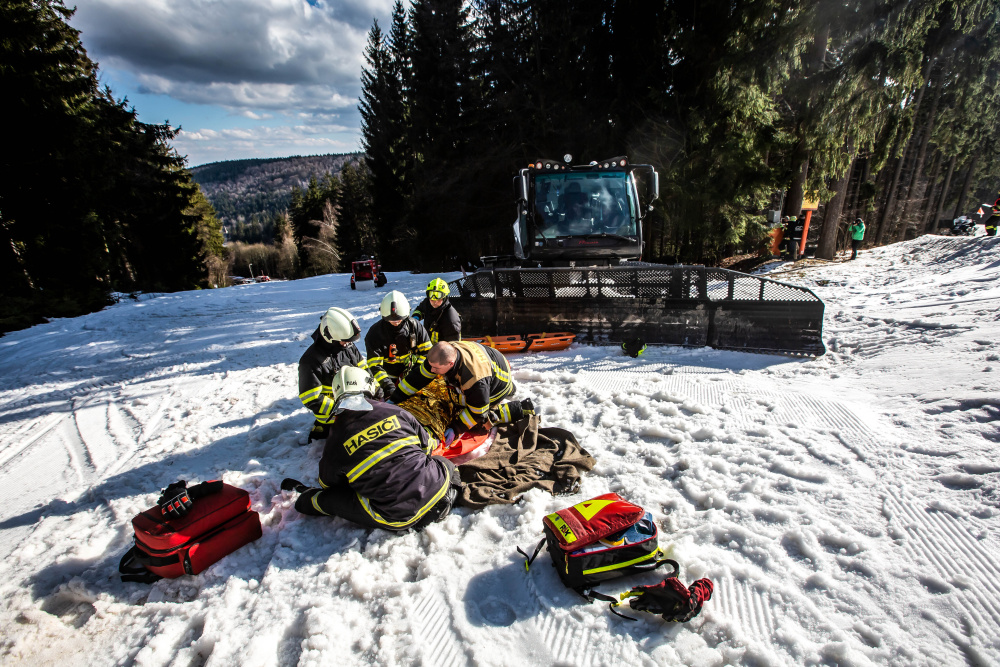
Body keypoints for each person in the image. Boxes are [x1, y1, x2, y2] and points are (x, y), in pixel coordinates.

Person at [284, 366, 460, 532]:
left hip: (399, 514)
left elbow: (327, 483)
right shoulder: (396, 411)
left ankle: (305, 499)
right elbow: (427, 446)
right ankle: (451, 494)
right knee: (444, 463)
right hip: (436, 484)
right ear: (369, 387)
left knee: (331, 499)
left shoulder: (336, 438)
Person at [389, 341, 535, 445]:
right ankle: (510, 388)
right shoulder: (443, 354)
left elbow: (478, 411)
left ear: (450, 364)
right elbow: (419, 376)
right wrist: (395, 398)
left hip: (496, 386)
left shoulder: (474, 379)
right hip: (493, 364)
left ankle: (518, 408)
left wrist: (456, 428)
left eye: (435, 368)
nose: (432, 370)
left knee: (470, 417)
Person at [298, 307, 364, 441]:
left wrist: (376, 391)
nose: (348, 344)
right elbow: (311, 398)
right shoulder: (311, 361)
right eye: (345, 341)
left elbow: (364, 369)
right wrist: (343, 410)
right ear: (330, 336)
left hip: (355, 408)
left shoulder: (347, 346)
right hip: (332, 416)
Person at [363, 290, 432, 397]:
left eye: (399, 319)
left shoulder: (415, 327)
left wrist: (416, 372)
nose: (396, 322)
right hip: (386, 378)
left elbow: (427, 352)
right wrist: (388, 386)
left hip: (411, 374)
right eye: (391, 319)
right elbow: (374, 366)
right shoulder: (375, 333)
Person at [413, 278, 462, 343]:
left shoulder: (451, 319)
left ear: (444, 297)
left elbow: (453, 346)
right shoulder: (427, 303)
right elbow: (420, 309)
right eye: (432, 299)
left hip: (442, 350)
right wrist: (416, 317)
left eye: (438, 298)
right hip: (428, 345)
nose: (434, 302)